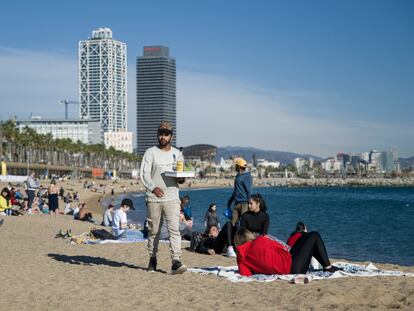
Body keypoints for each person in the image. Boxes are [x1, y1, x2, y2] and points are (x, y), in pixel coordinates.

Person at [140, 121, 187, 274]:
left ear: (171, 136)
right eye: (160, 133)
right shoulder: (150, 152)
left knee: (175, 229)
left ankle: (176, 261)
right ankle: (152, 259)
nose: (163, 136)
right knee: (154, 231)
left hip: (173, 197)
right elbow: (144, 174)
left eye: (166, 134)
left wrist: (181, 178)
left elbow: (181, 177)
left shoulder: (177, 154)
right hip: (154, 198)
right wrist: (153, 187)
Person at [234, 227, 343, 276]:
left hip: (289, 265)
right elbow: (281, 247)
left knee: (304, 237)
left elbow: (246, 274)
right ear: (248, 235)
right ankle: (328, 267)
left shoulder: (241, 258)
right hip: (292, 266)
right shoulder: (260, 240)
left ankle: (324, 265)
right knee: (314, 235)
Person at [227, 158, 252, 225]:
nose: (235, 167)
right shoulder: (238, 176)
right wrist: (230, 200)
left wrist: (250, 204)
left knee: (244, 223)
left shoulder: (247, 176)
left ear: (239, 166)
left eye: (236, 165)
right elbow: (236, 190)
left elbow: (248, 191)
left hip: (244, 204)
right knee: (233, 223)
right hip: (236, 203)